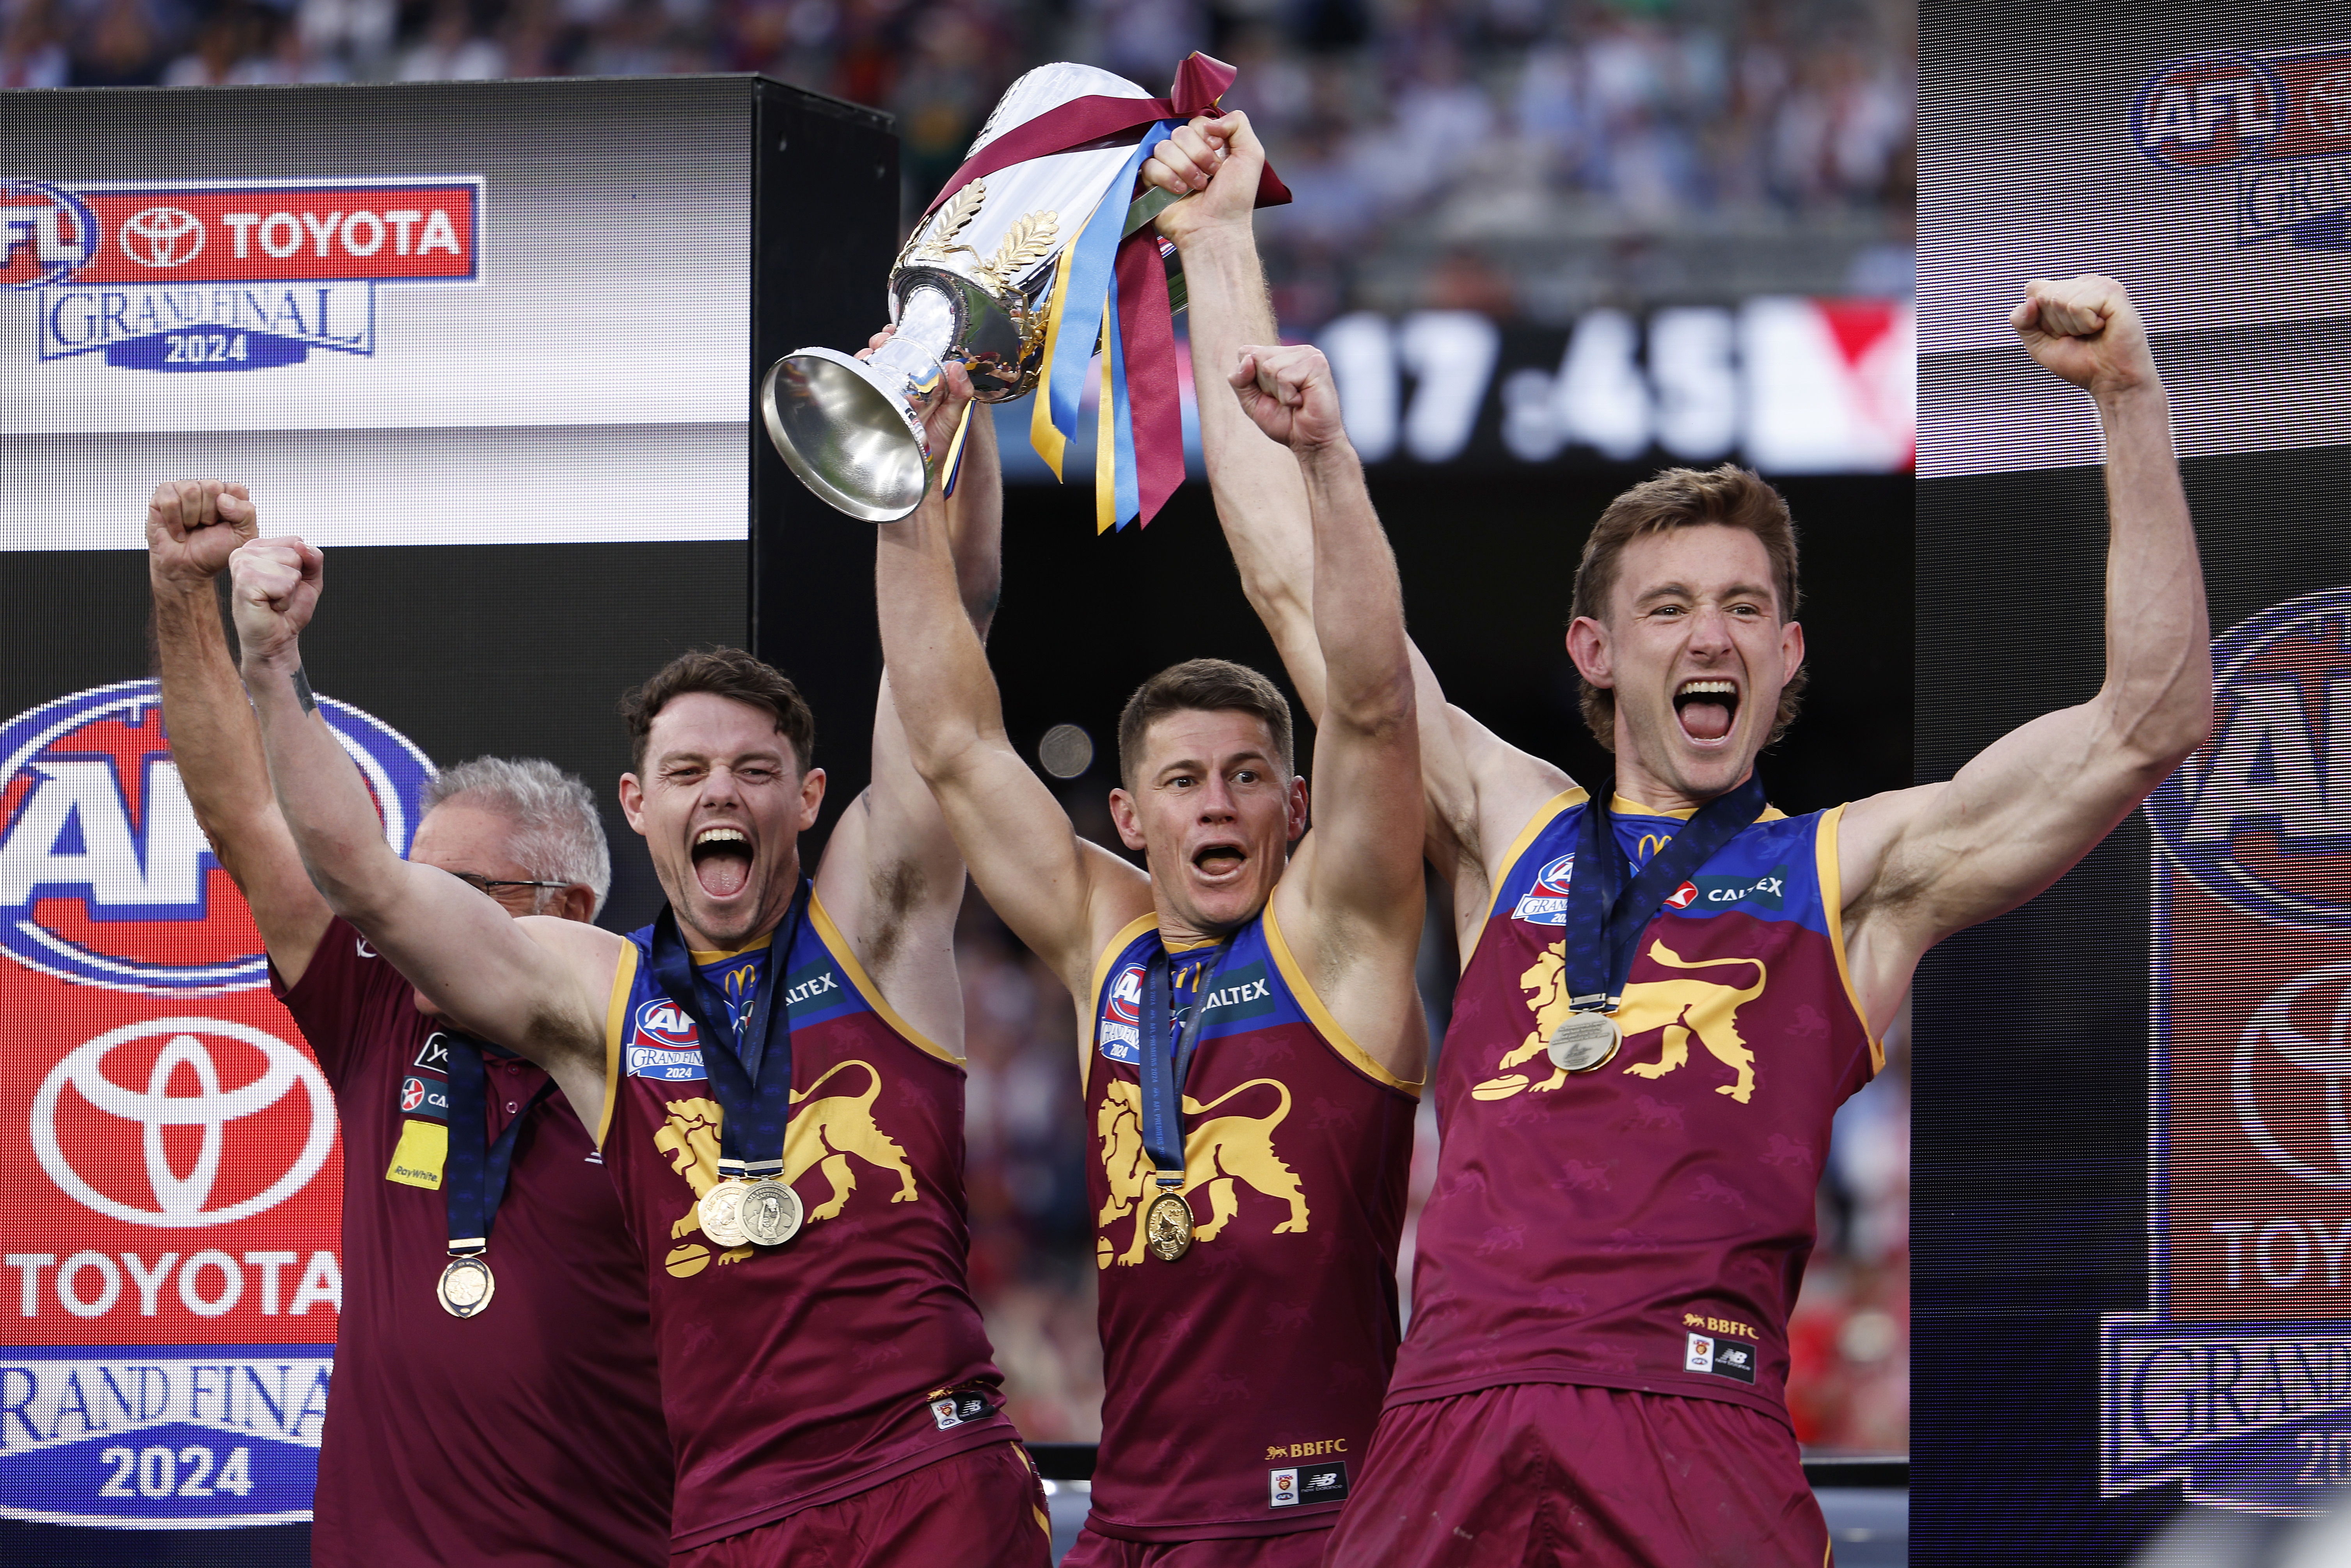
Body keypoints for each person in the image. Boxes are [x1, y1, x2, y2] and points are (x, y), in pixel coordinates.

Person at [1153, 116, 2210, 1566]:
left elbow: (2145, 724)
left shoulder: (1848, 873)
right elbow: (1300, 595)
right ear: (1594, 650)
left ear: (1785, 658)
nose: (1705, 635)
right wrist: (1219, 242)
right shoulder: (1508, 824)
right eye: (1665, 609)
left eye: (1738, 610)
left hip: (1689, 1418)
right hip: (1446, 1410)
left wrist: (2131, 405)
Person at [218, 432, 1054, 1566]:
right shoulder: (598, 995)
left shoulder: (873, 930)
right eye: (686, 773)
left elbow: (958, 626)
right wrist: (271, 665)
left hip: (921, 1471)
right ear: (638, 804)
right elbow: (362, 875)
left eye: (755, 771)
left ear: (808, 797)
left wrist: (933, 441)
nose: (722, 791)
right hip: (726, 1510)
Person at [873, 287, 1427, 1557]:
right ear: (1129, 815)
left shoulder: (1337, 939)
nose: (1216, 805)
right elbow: (953, 741)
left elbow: (1376, 705)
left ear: (1295, 807)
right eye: (1182, 782)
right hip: (1129, 1527)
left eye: (1246, 778)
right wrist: (904, 489)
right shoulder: (1105, 943)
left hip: (1324, 1525)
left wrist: (1327, 467)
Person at [145, 480, 671, 1568]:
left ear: (563, 908)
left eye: (450, 894)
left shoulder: (662, 1057)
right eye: (398, 891)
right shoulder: (378, 1010)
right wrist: (186, 590)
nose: (405, 921)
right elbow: (240, 813)